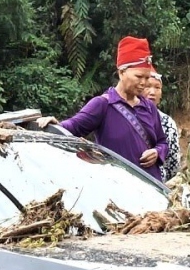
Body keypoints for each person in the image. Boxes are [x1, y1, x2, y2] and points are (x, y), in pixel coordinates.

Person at [55, 36, 168, 179]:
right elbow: (71, 127)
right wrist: (52, 125)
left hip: (151, 188)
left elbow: (162, 142)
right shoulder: (103, 105)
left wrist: (157, 152)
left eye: (146, 78)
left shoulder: (149, 107)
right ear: (121, 72)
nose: (144, 83)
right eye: (139, 76)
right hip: (117, 188)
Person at [145, 74, 182, 183]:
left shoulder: (167, 122)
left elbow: (173, 162)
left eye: (157, 87)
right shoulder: (125, 116)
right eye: (148, 86)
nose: (152, 92)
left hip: (157, 185)